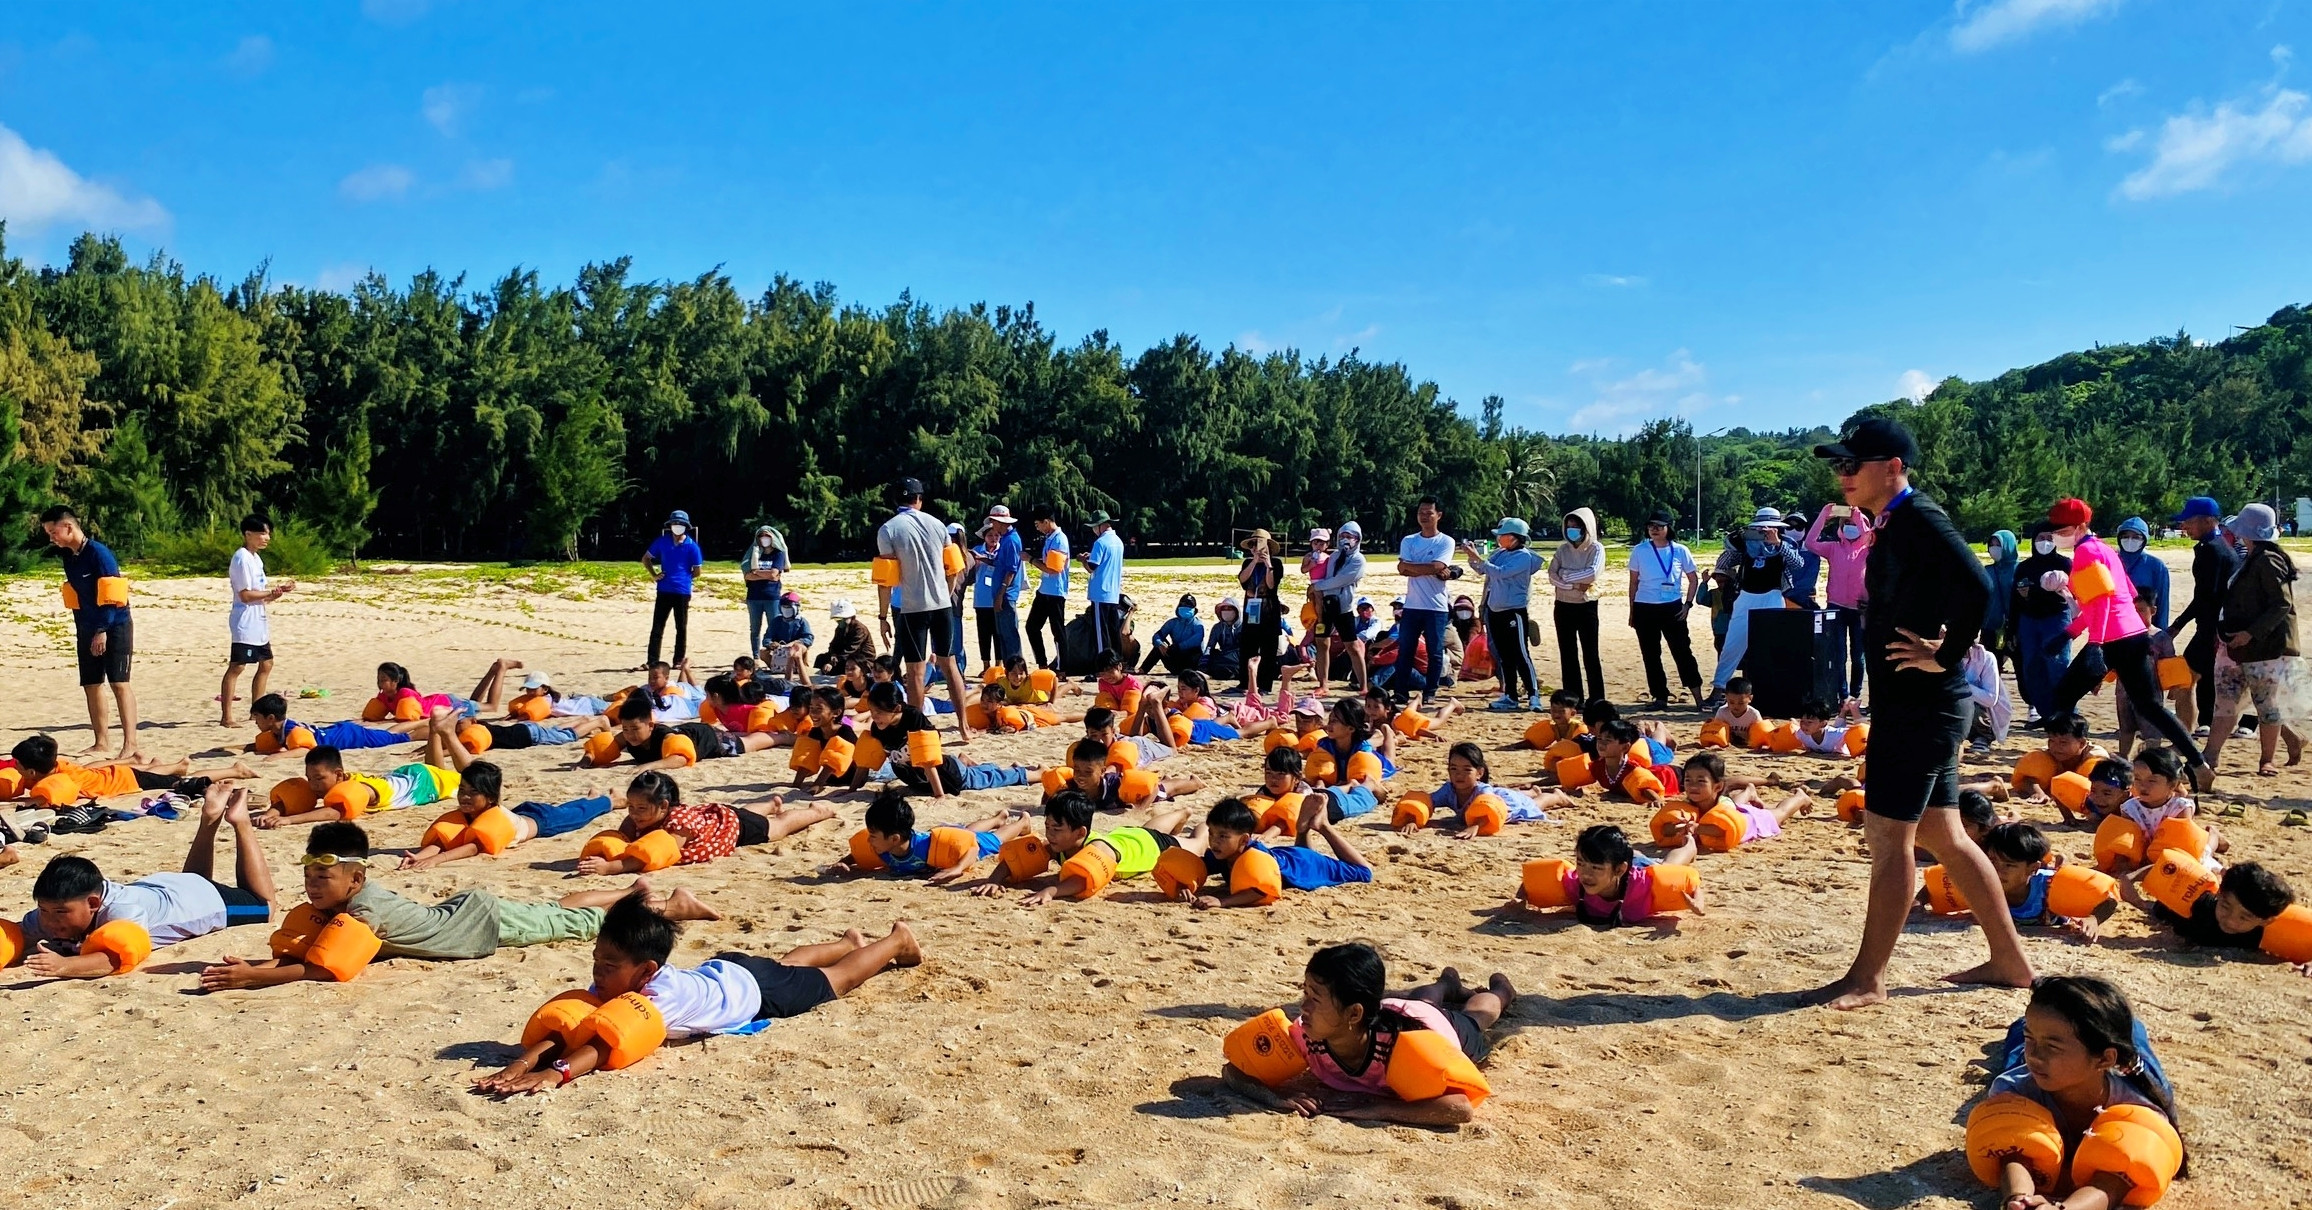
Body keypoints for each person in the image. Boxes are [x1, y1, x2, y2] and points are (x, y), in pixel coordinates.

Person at [1802, 416, 2033, 1010]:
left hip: (1924, 706)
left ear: (1893, 467)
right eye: (1839, 464)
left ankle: (1867, 979)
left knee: (1888, 836)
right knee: (1943, 834)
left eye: (1853, 464)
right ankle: (2010, 962)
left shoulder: (1919, 517)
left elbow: (1981, 588)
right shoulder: (1893, 522)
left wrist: (1947, 654)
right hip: (1916, 704)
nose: (1843, 473)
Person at [473, 894, 921, 1095]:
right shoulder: (621, 979)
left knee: (836, 981)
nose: (598, 974)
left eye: (608, 967)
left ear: (645, 970)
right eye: (596, 960)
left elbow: (600, 1042)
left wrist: (556, 1075)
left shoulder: (657, 997)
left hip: (754, 991)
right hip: (729, 971)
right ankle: (846, 942)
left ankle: (895, 941)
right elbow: (572, 1027)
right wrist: (520, 1062)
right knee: (787, 965)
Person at [197, 822, 716, 990]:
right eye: (309, 877)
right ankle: (631, 893)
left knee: (572, 923)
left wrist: (253, 975)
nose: (312, 887)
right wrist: (256, 964)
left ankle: (669, 907)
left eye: (323, 878)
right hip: (463, 911)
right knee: (556, 906)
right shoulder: (351, 901)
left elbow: (321, 969)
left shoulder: (363, 913)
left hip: (480, 925)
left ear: (356, 878)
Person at [1965, 976, 2185, 1210]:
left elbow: (2117, 1179)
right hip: (2084, 1048)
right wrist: (2018, 1199)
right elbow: (2013, 1152)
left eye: (2052, 1046)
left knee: (2132, 1034)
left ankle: (2130, 1027)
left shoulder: (2139, 1104)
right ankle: (2027, 1030)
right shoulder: (2015, 1087)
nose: (2036, 1055)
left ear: (2104, 1059)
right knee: (2021, 1036)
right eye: (2032, 1040)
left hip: (2127, 1062)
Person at [10, 784, 275, 978]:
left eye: (60, 913)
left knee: (266, 907)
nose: (50, 921)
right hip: (165, 886)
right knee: (193, 880)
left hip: (209, 901)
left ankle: (239, 822)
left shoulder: (122, 913)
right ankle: (209, 819)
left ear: (93, 902)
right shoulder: (53, 910)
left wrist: (64, 966)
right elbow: (19, 931)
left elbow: (116, 958)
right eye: (44, 910)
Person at [1219, 943, 1501, 1124]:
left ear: (1353, 1014)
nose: (1302, 1007)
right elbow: (1233, 1071)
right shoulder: (1307, 1035)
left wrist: (1380, 1108)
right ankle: (1446, 982)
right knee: (1422, 1000)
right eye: (1304, 993)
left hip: (1431, 1024)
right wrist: (1276, 1099)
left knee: (1474, 1018)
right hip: (1392, 1010)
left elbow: (1460, 1109)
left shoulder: (1401, 1048)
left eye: (1314, 999)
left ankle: (1502, 990)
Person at [2043, 499, 2209, 789]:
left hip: (2111, 639)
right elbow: (2125, 595)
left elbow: (2102, 601)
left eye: (2063, 529)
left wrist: (2094, 644)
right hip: (2134, 635)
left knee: (2063, 697)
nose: (2057, 534)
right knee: (2150, 707)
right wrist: (2069, 633)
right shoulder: (2106, 550)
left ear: (2081, 526)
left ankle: (2070, 756)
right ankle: (2198, 762)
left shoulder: (2086, 553)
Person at [2203, 503, 2305, 779]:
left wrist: (2250, 632)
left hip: (2264, 647)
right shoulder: (2253, 557)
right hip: (2239, 645)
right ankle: (2211, 755)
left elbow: (2281, 604)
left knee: (2265, 704)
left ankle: (2266, 759)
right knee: (2229, 701)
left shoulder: (2267, 559)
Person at [41, 504, 142, 761]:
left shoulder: (99, 553)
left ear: (68, 527)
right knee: (91, 684)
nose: (51, 538)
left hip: (114, 625)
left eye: (53, 532)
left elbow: (112, 597)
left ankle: (130, 744)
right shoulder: (68, 556)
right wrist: (85, 632)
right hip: (86, 626)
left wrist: (102, 630)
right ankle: (101, 742)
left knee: (119, 683)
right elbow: (77, 597)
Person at [876, 478, 974, 735]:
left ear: (896, 500)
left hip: (912, 606)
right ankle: (963, 725)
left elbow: (885, 580)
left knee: (916, 671)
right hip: (942, 605)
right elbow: (954, 569)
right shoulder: (938, 524)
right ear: (919, 499)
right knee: (949, 664)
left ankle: (916, 730)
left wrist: (883, 615)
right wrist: (945, 592)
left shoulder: (888, 529)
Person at [1158, 799, 1374, 908]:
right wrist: (1182, 887)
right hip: (1287, 855)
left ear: (1244, 840)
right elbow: (1197, 869)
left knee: (1363, 873)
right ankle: (1303, 830)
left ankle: (1323, 825)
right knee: (1300, 849)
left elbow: (1259, 891)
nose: (1214, 841)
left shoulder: (1255, 858)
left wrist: (1222, 902)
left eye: (1223, 836)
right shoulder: (1221, 852)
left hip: (1304, 865)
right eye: (1212, 834)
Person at [1512, 822, 1704, 923]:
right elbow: (1536, 881)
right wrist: (1518, 899)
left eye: (1595, 868)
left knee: (1667, 865)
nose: (1586, 874)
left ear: (1619, 870)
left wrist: (1698, 904)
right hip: (1615, 862)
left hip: (1637, 867)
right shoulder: (1577, 882)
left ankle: (1689, 844)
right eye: (1580, 863)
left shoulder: (1642, 883)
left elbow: (1691, 884)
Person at [2116, 860, 2302, 962]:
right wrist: (2131, 881)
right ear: (2220, 895)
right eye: (2225, 906)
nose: (2230, 920)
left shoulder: (2268, 922)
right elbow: (2163, 868)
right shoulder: (2200, 906)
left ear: (2266, 921)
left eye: (2244, 917)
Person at [1708, 508, 1802, 703]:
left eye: (1769, 528)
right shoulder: (1745, 543)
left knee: (1771, 646)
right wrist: (1736, 542)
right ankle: (1719, 688)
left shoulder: (1787, 543)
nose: (1764, 532)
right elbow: (1723, 563)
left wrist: (1777, 544)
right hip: (1746, 596)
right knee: (1732, 644)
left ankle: (1771, 690)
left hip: (1773, 595)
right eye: (1759, 529)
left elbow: (1798, 564)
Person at [1460, 518, 1547, 713]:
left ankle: (1534, 695)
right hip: (1495, 612)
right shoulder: (1501, 553)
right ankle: (1510, 695)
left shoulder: (1523, 556)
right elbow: (1483, 570)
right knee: (1504, 656)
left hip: (1513, 612)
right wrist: (1472, 557)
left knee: (1521, 654)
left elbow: (1500, 573)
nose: (1499, 539)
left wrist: (1480, 559)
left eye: (1502, 535)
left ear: (1515, 537)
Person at [2170, 496, 2240, 733]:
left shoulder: (2211, 551)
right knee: (2250, 690)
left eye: (2188, 521)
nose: (2184, 526)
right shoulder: (2218, 547)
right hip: (2218, 629)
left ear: (2208, 521)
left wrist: (2176, 626)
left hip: (2213, 631)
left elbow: (2205, 598)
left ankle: (2184, 739)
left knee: (2183, 682)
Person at [1627, 508, 1705, 711]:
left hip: (1673, 608)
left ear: (1668, 528)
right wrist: (1632, 610)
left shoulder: (1680, 550)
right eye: (1651, 526)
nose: (1654, 529)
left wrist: (1688, 604)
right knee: (1651, 654)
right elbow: (1633, 582)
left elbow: (1693, 579)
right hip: (1645, 607)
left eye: (1659, 526)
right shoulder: (1640, 550)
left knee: (1682, 651)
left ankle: (1698, 696)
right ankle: (1659, 696)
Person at [219, 513, 293, 727]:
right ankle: (227, 716)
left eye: (268, 533)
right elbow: (245, 595)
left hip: (258, 620)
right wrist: (268, 592)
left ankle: (256, 711)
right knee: (238, 666)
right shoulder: (241, 558)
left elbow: (259, 594)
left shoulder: (256, 559)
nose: (266, 538)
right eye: (262, 533)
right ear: (248, 534)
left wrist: (276, 593)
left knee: (266, 663)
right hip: (245, 621)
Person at [1393, 498, 1459, 707]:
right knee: (1405, 651)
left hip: (1436, 606)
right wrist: (1428, 568)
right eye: (1421, 512)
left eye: (1429, 512)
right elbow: (1402, 568)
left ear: (1438, 515)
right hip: (1412, 605)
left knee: (1435, 651)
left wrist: (1415, 568)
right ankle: (1401, 692)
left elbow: (1438, 566)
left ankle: (1430, 691)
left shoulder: (1445, 541)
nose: (1424, 516)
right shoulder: (1409, 540)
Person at [1805, 503, 1870, 703]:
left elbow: (1870, 534)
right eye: (1846, 523)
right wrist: (1824, 516)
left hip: (1860, 608)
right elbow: (1810, 543)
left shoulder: (1869, 548)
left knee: (1858, 656)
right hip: (1836, 607)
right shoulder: (1833, 548)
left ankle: (1856, 694)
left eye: (1854, 524)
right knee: (1838, 654)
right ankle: (1843, 695)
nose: (1851, 526)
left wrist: (1857, 516)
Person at [2012, 523, 2075, 721]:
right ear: (2033, 541)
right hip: (2028, 621)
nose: (2045, 543)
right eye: (2041, 538)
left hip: (2056, 619)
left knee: (2057, 667)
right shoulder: (2024, 567)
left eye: (2050, 538)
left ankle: (2066, 716)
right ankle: (2046, 714)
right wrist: (2012, 629)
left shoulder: (2065, 564)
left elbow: (2075, 594)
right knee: (2032, 669)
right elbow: (2015, 600)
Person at [1547, 507, 1606, 704]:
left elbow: (1592, 573)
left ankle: (1597, 697)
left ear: (1586, 527)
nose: (1572, 529)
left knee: (1591, 653)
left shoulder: (1596, 548)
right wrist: (1572, 584)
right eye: (1569, 525)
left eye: (1576, 526)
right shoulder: (1562, 549)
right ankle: (1574, 697)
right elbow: (1552, 575)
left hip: (1586, 605)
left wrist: (1566, 576)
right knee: (1568, 652)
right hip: (1563, 605)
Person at [641, 509, 704, 668]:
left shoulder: (692, 546)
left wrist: (685, 578)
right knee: (657, 626)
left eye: (680, 524)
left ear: (685, 526)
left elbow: (697, 571)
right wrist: (654, 575)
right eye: (675, 523)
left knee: (681, 627)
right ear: (670, 525)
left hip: (682, 591)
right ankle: (652, 661)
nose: (677, 526)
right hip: (664, 589)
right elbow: (646, 558)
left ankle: (678, 660)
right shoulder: (662, 541)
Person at [976, 505, 1025, 665]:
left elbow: (1011, 571)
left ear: (999, 521)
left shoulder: (1011, 540)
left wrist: (1000, 594)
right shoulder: (1007, 538)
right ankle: (1009, 669)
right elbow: (1001, 564)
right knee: (1003, 634)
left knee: (1009, 635)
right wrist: (985, 559)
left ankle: (1016, 669)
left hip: (1006, 595)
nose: (992, 525)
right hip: (1003, 593)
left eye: (993, 521)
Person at [1026, 506, 1071, 671]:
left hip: (1055, 592)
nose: (1037, 527)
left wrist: (1030, 559)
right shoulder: (1049, 537)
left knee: (1057, 631)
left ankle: (1062, 668)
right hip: (1044, 590)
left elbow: (1053, 569)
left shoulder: (1059, 539)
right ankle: (1042, 664)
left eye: (1038, 524)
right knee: (1032, 626)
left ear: (1046, 522)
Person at [1081, 510, 1127, 666]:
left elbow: (1092, 567)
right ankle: (1118, 663)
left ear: (1100, 526)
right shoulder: (1118, 541)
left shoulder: (1100, 542)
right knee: (1114, 632)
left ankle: (1103, 667)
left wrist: (1082, 560)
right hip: (1113, 593)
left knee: (1101, 634)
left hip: (1100, 593)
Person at [740, 524, 789, 657]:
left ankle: (776, 654)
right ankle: (756, 655)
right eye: (761, 536)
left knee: (774, 626)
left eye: (767, 536)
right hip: (753, 597)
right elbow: (747, 575)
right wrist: (764, 574)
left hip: (772, 596)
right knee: (755, 629)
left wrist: (756, 572)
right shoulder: (753, 554)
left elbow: (774, 574)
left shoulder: (778, 553)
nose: (764, 538)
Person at [2116, 516, 2170, 630]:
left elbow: (2162, 602)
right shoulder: (2111, 561)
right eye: (2125, 537)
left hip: (2143, 628)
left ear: (2144, 539)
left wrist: (2160, 633)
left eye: (2136, 537)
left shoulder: (2156, 566)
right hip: (2115, 626)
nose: (2130, 540)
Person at [1141, 594, 1205, 676]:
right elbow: (1157, 635)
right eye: (1184, 605)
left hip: (1191, 665)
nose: (1186, 608)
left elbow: (1197, 640)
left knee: (1195, 651)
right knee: (1159, 647)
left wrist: (1179, 646)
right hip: (1175, 661)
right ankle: (1143, 669)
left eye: (1189, 606)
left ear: (1194, 610)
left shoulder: (1198, 624)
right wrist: (1160, 644)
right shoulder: (1172, 623)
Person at [756, 592, 813, 683]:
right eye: (784, 607)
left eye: (789, 608)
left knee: (802, 648)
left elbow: (808, 638)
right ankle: (777, 669)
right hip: (779, 651)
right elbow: (766, 638)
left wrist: (795, 643)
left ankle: (801, 668)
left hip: (795, 650)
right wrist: (771, 644)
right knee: (762, 652)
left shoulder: (802, 621)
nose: (787, 610)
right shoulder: (776, 621)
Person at [1982, 529, 2019, 671]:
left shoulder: (2020, 570)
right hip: (1990, 625)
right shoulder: (1986, 570)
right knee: (1990, 667)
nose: (1994, 548)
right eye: (1992, 544)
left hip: (2015, 626)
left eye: (1998, 544)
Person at [814, 598, 875, 676]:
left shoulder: (859, 629)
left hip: (861, 659)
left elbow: (850, 650)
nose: (838, 621)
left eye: (840, 619)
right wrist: (833, 654)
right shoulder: (840, 628)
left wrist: (832, 663)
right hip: (843, 657)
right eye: (836, 619)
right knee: (820, 658)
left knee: (842, 667)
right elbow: (834, 644)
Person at [1782, 510, 1823, 611]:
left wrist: (1787, 598)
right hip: (1775, 602)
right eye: (1789, 526)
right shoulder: (1774, 549)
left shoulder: (1811, 553)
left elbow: (1808, 581)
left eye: (1799, 527)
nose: (1794, 530)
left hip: (1800, 603)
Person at [1201, 596, 1244, 682]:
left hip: (1239, 656)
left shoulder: (1245, 627)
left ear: (1236, 611)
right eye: (1224, 609)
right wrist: (1203, 664)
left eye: (1229, 608)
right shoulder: (1217, 628)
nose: (1226, 611)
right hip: (1224, 656)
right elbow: (1210, 647)